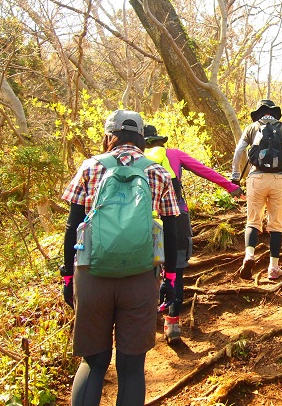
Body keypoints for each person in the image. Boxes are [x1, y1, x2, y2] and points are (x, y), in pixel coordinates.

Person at [60, 110, 179, 406]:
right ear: (141, 138)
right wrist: (172, 278)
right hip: (140, 277)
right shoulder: (158, 172)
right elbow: (173, 230)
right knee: (131, 368)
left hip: (92, 274)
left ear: (108, 136)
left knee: (93, 362)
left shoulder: (89, 167)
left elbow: (72, 226)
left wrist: (67, 275)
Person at [142, 124, 244, 343]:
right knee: (176, 271)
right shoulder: (174, 154)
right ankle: (173, 323)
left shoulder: (134, 159)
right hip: (176, 219)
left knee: (143, 270)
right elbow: (204, 170)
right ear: (160, 141)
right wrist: (230, 187)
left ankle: (147, 318)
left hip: (141, 221)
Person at [231, 99, 282, 280]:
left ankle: (249, 255)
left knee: (253, 221)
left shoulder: (251, 128)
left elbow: (239, 151)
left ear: (260, 112)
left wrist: (235, 175)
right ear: (273, 113)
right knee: (276, 224)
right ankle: (273, 268)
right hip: (279, 179)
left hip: (256, 178)